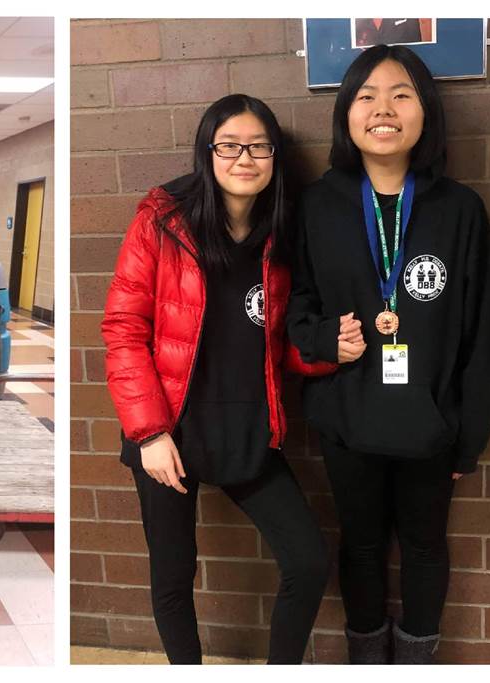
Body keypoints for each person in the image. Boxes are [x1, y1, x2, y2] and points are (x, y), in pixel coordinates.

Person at [101, 94, 337, 665]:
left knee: (307, 561)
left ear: (275, 156)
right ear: (207, 152)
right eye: (228, 146)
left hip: (249, 430)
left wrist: (328, 352)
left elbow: (282, 348)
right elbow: (123, 328)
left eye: (259, 146)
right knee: (173, 576)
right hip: (170, 436)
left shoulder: (284, 233)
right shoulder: (162, 220)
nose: (244, 158)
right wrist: (149, 434)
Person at [286, 45, 490, 664]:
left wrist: (470, 435)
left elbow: (482, 331)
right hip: (347, 417)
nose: (384, 109)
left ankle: (416, 663)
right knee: (359, 545)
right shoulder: (318, 205)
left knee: (426, 546)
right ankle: (367, 661)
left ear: (425, 112)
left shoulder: (459, 210)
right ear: (347, 115)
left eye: (401, 94)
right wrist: (328, 339)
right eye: (366, 96)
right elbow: (295, 307)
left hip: (431, 423)